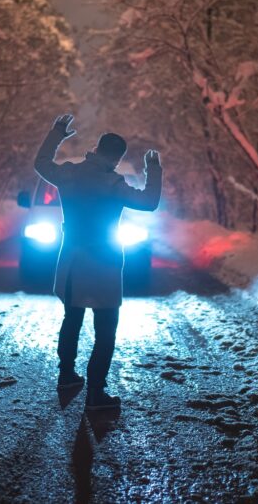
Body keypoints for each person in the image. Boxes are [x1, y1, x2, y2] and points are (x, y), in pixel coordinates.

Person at [33, 113, 162, 411]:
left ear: (96, 148)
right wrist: (153, 170)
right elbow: (150, 202)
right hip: (103, 263)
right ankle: (95, 394)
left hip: (71, 262)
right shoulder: (114, 184)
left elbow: (40, 164)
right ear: (117, 159)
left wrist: (56, 134)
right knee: (105, 330)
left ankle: (66, 376)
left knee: (72, 320)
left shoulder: (69, 174)